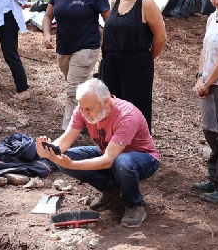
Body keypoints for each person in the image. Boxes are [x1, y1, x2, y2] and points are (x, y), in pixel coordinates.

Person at [36, 78, 160, 228]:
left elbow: (108, 160)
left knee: (123, 162)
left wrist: (72, 165)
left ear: (106, 101)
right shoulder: (83, 109)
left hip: (142, 158)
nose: (84, 113)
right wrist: (47, 152)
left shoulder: (127, 115)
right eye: (81, 108)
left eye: (88, 109)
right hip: (109, 153)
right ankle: (112, 190)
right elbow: (64, 142)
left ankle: (134, 205)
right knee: (65, 157)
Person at [43, 0, 111, 129]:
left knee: (72, 91)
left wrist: (113, 42)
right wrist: (46, 34)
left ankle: (68, 132)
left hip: (86, 47)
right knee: (76, 88)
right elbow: (48, 16)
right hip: (64, 47)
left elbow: (109, 19)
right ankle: (95, 117)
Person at [99, 0, 167, 131]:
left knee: (135, 108)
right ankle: (112, 147)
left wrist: (147, 58)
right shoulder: (115, 1)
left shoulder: (146, 2)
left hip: (137, 64)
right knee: (112, 108)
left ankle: (137, 149)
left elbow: (160, 37)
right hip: (111, 63)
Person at [192, 0, 218, 203]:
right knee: (211, 132)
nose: (217, 0)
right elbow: (205, 49)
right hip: (209, 83)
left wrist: (209, 80)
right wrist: (200, 77)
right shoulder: (213, 18)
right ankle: (214, 177)